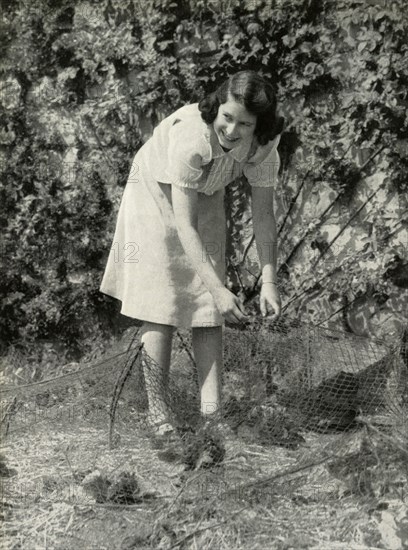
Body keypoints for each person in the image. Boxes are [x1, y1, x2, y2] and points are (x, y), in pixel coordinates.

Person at [100, 70, 283, 436]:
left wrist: (269, 281)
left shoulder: (265, 147)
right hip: (155, 189)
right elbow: (184, 225)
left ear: (259, 126)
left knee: (209, 304)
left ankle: (211, 416)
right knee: (163, 299)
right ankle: (159, 416)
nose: (231, 131)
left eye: (243, 124)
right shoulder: (191, 137)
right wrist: (217, 289)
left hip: (209, 188)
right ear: (217, 107)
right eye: (226, 117)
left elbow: (264, 215)